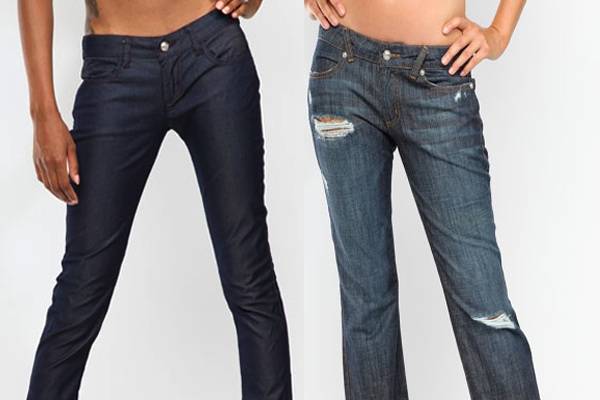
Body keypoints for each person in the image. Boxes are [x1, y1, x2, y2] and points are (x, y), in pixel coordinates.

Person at [19, 0, 292, 399]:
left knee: (249, 278)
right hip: (115, 69)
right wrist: (43, 112)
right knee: (81, 290)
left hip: (213, 53)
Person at [304, 0, 540, 399]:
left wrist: (498, 34)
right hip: (342, 68)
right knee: (366, 306)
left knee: (484, 307)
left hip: (440, 76)